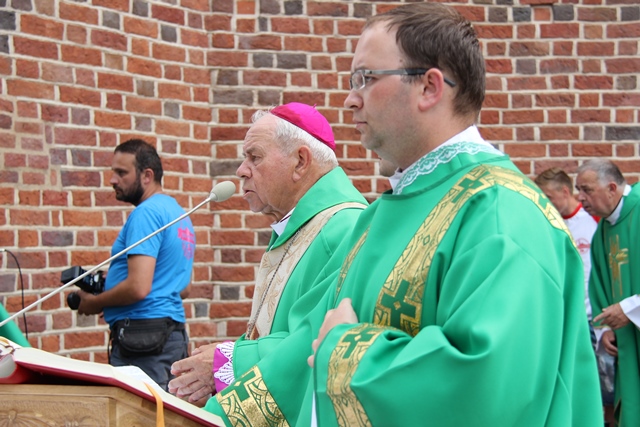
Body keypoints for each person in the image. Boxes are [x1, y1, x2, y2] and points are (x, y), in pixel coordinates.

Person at [204, 4, 603, 427]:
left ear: (429, 87)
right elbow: (304, 348)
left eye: (366, 78)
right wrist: (214, 417)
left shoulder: (502, 211)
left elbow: (487, 386)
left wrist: (344, 351)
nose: (350, 98)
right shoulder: (377, 216)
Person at [168, 103, 367, 404]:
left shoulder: (346, 227)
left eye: (254, 157)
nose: (241, 170)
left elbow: (317, 340)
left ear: (300, 162)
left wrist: (228, 362)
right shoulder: (298, 226)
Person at [75, 138, 195, 391]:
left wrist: (95, 302)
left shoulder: (146, 213)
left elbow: (139, 287)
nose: (113, 180)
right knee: (164, 407)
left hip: (143, 337)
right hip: (169, 335)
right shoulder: (178, 213)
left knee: (139, 410)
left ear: (147, 175)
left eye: (122, 173)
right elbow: (182, 287)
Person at [576, 158, 640, 426]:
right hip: (628, 343)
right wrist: (605, 329)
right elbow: (599, 285)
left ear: (612, 188)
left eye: (587, 190)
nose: (581, 198)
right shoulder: (603, 229)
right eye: (578, 190)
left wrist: (630, 309)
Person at [534, 167, 599, 325]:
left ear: (565, 192)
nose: (545, 205)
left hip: (594, 315)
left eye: (548, 198)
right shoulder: (546, 225)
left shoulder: (594, 218)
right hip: (566, 315)